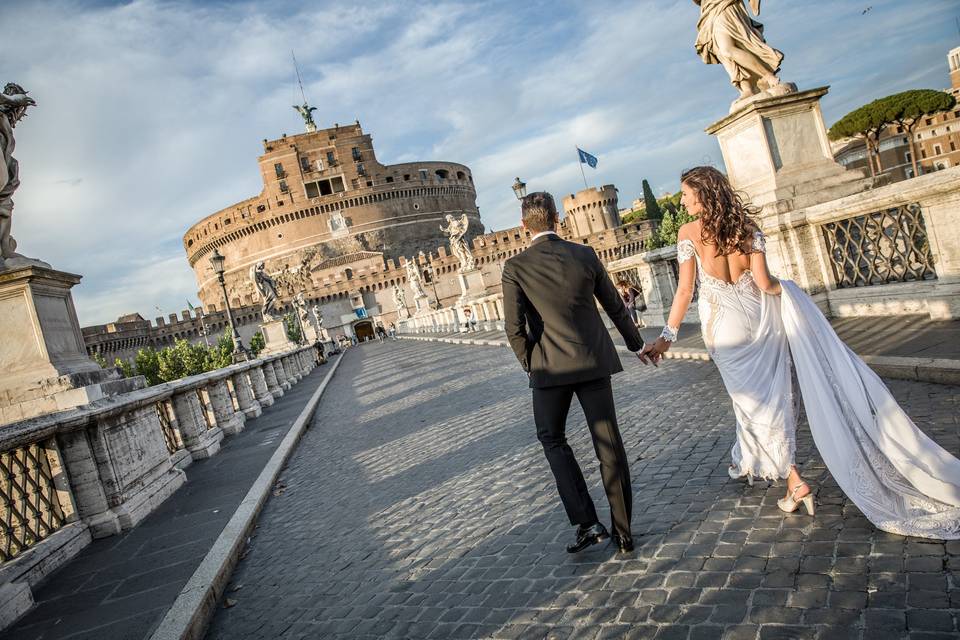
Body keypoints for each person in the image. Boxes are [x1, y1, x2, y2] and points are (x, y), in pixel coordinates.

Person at [639, 166, 960, 539]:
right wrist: (792, 294)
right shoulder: (748, 230)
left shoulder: (689, 234)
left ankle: (793, 480)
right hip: (760, 322)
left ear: (704, 194)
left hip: (723, 329)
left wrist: (666, 337)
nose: (682, 201)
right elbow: (764, 283)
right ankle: (746, 458)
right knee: (776, 399)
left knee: (749, 402)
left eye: (686, 194)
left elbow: (683, 292)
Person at [502, 192, 647, 554]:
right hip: (594, 359)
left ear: (524, 226)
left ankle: (587, 522)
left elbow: (513, 328)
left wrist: (531, 365)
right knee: (609, 444)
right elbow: (615, 306)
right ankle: (624, 531)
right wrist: (637, 345)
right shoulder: (584, 254)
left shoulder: (516, 267)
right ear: (557, 219)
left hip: (549, 367)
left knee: (551, 438)